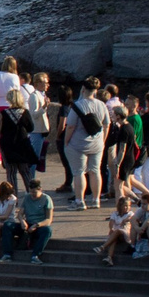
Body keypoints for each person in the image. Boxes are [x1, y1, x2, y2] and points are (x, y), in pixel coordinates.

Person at [68, 79, 107, 208]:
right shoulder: (102, 105)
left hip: (79, 143)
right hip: (97, 143)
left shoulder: (78, 105)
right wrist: (103, 140)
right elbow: (106, 124)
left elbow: (70, 126)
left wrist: (66, 141)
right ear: (95, 90)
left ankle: (79, 201)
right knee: (95, 171)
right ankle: (96, 200)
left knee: (79, 172)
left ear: (83, 89)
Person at [2, 179, 54, 263]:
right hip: (27, 224)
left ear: (40, 189)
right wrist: (22, 221)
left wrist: (37, 225)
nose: (32, 195)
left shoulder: (46, 199)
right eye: (30, 192)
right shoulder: (27, 197)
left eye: (34, 192)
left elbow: (49, 219)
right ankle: (7, 254)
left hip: (38, 225)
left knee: (47, 230)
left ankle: (35, 255)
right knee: (7, 225)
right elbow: (20, 213)